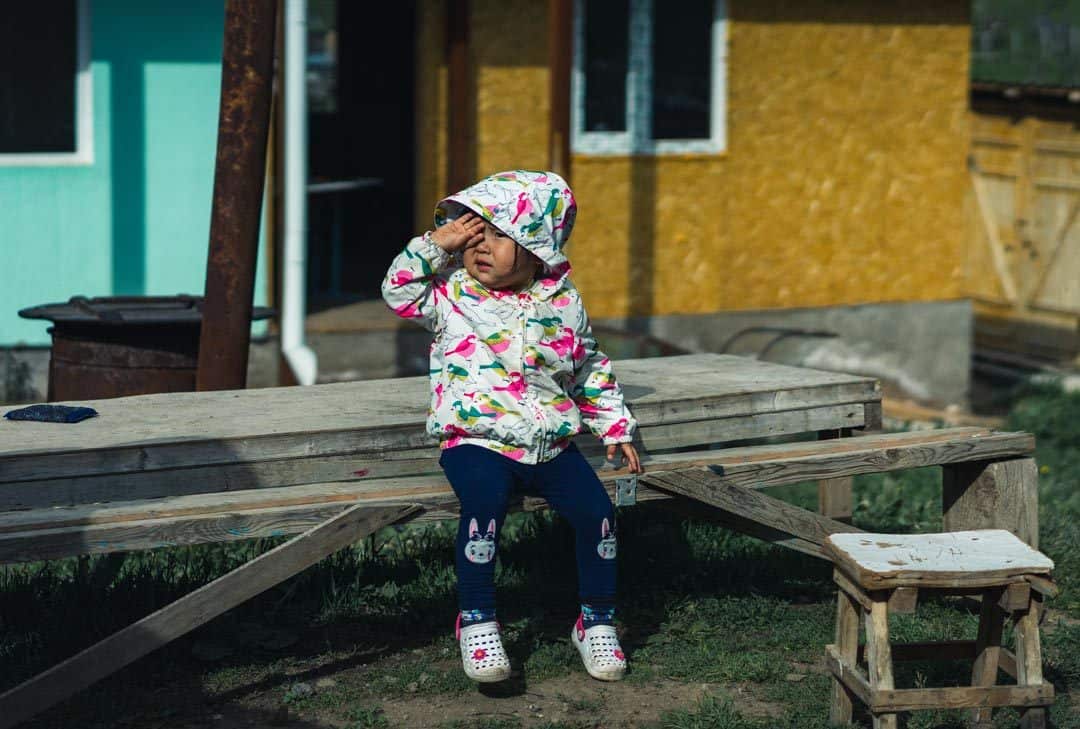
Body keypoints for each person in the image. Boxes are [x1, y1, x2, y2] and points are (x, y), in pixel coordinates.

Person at [381, 169, 643, 683]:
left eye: (500, 236)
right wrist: (438, 242)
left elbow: (587, 367)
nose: (481, 246)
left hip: (549, 441)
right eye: (474, 232)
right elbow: (398, 291)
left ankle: (596, 620)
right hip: (475, 439)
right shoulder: (451, 294)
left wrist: (614, 426)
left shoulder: (564, 304)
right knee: (484, 507)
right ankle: (476, 620)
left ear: (537, 248)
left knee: (599, 517)